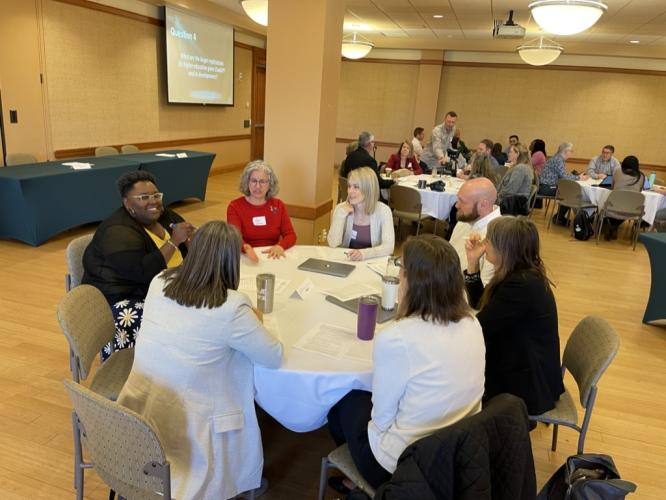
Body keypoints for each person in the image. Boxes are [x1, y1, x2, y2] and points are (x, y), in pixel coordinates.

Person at [117, 221, 283, 500]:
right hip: (193, 421)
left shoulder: (160, 281)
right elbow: (273, 356)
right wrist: (257, 319)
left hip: (144, 400)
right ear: (232, 261)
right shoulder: (231, 307)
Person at [327, 234, 485, 490]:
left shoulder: (397, 338)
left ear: (412, 282)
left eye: (401, 271)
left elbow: (381, 420)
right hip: (460, 449)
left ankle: (360, 483)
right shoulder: (472, 322)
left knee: (342, 400)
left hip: (403, 466)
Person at [82, 170, 195, 360]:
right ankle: (141, 366)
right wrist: (173, 242)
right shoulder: (118, 231)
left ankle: (179, 360)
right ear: (127, 203)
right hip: (124, 297)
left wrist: (191, 239)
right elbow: (142, 273)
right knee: (183, 315)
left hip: (165, 285)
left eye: (156, 196)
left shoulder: (164, 215)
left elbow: (189, 240)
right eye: (143, 197)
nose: (153, 202)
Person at [463, 216, 565, 415]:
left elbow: (480, 326)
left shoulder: (521, 285)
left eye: (489, 240)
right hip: (522, 361)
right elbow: (480, 304)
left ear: (505, 249)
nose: (484, 244)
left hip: (528, 382)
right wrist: (473, 262)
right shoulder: (519, 273)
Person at [227, 160, 297, 263]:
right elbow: (234, 237)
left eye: (263, 182)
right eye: (254, 181)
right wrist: (246, 248)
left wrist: (280, 246)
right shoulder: (235, 206)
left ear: (270, 184)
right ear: (247, 182)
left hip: (273, 256)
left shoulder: (278, 205)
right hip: (246, 257)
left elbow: (291, 235)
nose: (258, 186)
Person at [327, 167, 395, 260]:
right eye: (349, 186)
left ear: (369, 189)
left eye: (356, 187)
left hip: (372, 263)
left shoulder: (383, 211)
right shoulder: (341, 209)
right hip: (347, 263)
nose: (350, 191)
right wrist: (341, 215)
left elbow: (389, 247)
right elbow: (332, 243)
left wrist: (363, 254)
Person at [449, 177, 501, 286]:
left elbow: (483, 291)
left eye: (462, 201)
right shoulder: (466, 219)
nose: (456, 205)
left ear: (483, 204)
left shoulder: (497, 238)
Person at [539, 142, 588, 224]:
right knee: (570, 193)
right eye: (571, 151)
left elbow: (563, 175)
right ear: (566, 151)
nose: (572, 153)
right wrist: (579, 177)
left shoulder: (557, 158)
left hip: (546, 186)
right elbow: (564, 177)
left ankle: (559, 217)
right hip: (546, 187)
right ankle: (559, 218)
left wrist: (575, 176)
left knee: (569, 191)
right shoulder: (558, 160)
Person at [340, 131, 394, 199]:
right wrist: (393, 181)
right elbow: (379, 183)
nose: (374, 144)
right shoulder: (370, 161)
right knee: (389, 200)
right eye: (373, 142)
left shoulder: (349, 157)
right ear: (369, 144)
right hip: (365, 197)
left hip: (351, 192)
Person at [604, 155, 646, 240]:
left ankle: (612, 225)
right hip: (632, 210)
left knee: (607, 202)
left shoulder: (617, 171)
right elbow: (639, 192)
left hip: (614, 206)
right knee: (628, 207)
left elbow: (612, 187)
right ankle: (614, 226)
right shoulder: (641, 176)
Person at [497, 143, 535, 211]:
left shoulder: (520, 168)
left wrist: (497, 195)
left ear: (518, 154)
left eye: (511, 152)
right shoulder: (519, 166)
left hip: (513, 204)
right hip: (512, 201)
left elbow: (511, 190)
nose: (508, 154)